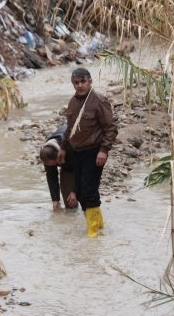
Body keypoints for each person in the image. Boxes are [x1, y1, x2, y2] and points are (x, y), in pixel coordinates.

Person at [57, 68, 117, 237]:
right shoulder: (73, 102)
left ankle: (93, 235)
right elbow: (70, 128)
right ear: (72, 84)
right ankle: (99, 226)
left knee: (87, 191)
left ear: (90, 82)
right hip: (77, 152)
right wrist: (63, 147)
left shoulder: (99, 101)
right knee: (83, 190)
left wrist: (104, 150)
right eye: (76, 82)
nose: (80, 85)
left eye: (83, 81)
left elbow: (111, 128)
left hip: (94, 151)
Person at [39, 124, 78, 211]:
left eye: (56, 164)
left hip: (78, 156)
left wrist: (75, 191)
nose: (54, 167)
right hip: (65, 159)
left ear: (59, 154)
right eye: (52, 165)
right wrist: (55, 200)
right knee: (69, 203)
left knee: (83, 196)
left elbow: (81, 172)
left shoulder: (70, 149)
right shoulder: (46, 153)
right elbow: (51, 176)